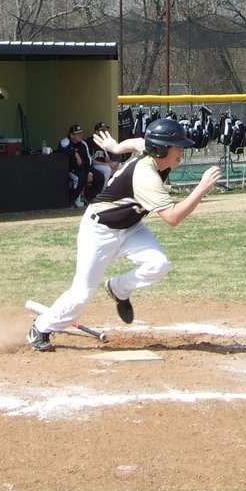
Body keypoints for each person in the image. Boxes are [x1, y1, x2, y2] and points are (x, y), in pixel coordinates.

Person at [28, 118, 222, 352]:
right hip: (99, 231)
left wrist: (116, 147)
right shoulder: (146, 176)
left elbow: (137, 143)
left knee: (159, 265)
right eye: (177, 146)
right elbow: (172, 218)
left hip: (131, 227)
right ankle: (41, 327)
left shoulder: (152, 151)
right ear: (160, 149)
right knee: (81, 295)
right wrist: (201, 189)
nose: (182, 151)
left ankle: (119, 288)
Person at [60, 123, 103, 208]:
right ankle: (71, 201)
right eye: (78, 134)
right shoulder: (65, 142)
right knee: (80, 178)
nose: (80, 135)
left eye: (81, 133)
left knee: (100, 177)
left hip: (84, 168)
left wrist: (90, 172)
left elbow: (89, 160)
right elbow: (62, 150)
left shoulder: (83, 144)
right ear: (72, 135)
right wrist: (75, 153)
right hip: (71, 169)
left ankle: (89, 197)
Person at [87, 121, 118, 186]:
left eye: (105, 130)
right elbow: (91, 161)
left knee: (121, 167)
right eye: (102, 130)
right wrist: (108, 164)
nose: (105, 132)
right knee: (107, 169)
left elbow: (107, 159)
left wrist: (113, 163)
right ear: (97, 132)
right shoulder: (90, 142)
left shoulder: (104, 142)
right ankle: (103, 192)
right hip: (93, 166)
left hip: (103, 165)